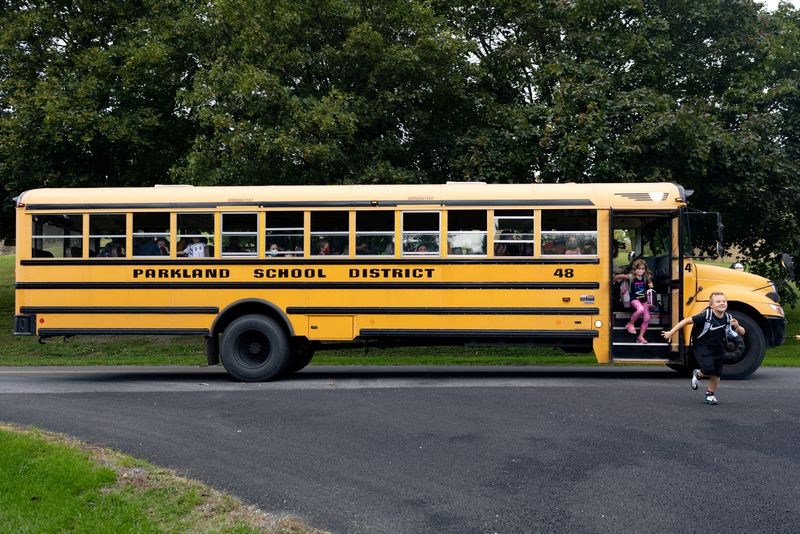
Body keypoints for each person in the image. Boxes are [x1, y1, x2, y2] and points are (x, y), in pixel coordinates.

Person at [661, 292, 745, 405]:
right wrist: (671, 332)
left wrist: (737, 326)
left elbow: (742, 332)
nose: (722, 303)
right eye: (718, 301)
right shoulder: (705, 315)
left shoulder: (728, 318)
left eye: (724, 301)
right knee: (709, 369)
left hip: (719, 347)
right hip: (702, 346)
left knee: (717, 373)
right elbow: (686, 321)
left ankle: (710, 395)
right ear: (711, 305)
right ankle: (697, 374)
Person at [614, 259, 654, 344]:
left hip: (644, 300)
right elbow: (616, 277)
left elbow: (650, 285)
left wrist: (651, 285)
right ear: (635, 269)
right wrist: (622, 277)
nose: (641, 271)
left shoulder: (645, 278)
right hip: (634, 299)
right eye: (639, 269)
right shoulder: (631, 277)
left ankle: (640, 337)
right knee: (640, 310)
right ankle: (630, 324)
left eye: (643, 269)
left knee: (647, 318)